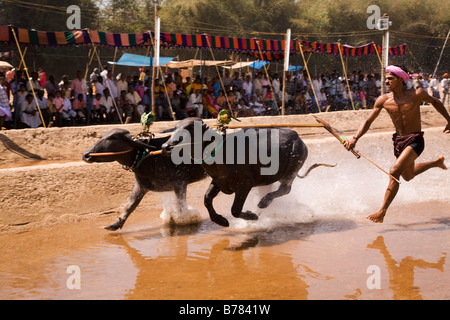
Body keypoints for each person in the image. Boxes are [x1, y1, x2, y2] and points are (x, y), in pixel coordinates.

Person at [343, 65, 450, 223]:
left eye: (390, 78)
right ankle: (436, 162)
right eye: (386, 78)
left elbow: (435, 102)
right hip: (399, 141)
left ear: (401, 79)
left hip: (415, 140)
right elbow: (368, 121)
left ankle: (382, 212)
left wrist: (449, 120)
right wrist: (354, 138)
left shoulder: (417, 94)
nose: (386, 81)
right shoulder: (384, 100)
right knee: (408, 175)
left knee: (394, 171)